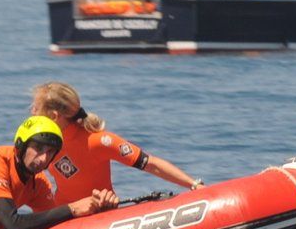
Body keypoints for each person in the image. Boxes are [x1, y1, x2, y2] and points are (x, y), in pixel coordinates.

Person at [30, 81, 205, 204]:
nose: (32, 112)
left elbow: (150, 164)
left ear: (54, 116)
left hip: (99, 218)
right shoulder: (42, 143)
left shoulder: (98, 141)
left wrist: (194, 185)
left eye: (36, 108)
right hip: (61, 220)